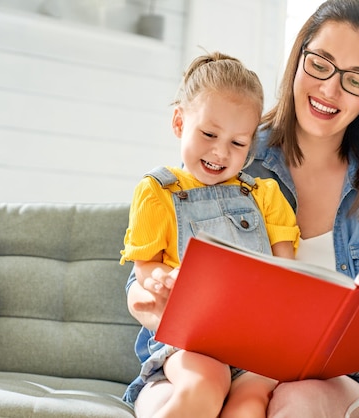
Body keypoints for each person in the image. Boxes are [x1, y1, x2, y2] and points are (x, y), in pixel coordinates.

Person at [126, 1, 359, 417]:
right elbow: (150, 267)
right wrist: (149, 298)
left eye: (356, 79)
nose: (330, 89)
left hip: (327, 383)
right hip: (199, 362)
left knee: (299, 403)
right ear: (299, 59)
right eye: (320, 64)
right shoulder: (231, 149)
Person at [120, 51, 300, 418]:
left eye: (238, 143)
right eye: (209, 134)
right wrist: (163, 281)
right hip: (190, 341)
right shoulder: (157, 191)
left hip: (256, 345)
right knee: (204, 384)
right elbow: (146, 267)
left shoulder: (264, 194)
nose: (220, 151)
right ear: (178, 122)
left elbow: (287, 274)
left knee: (250, 404)